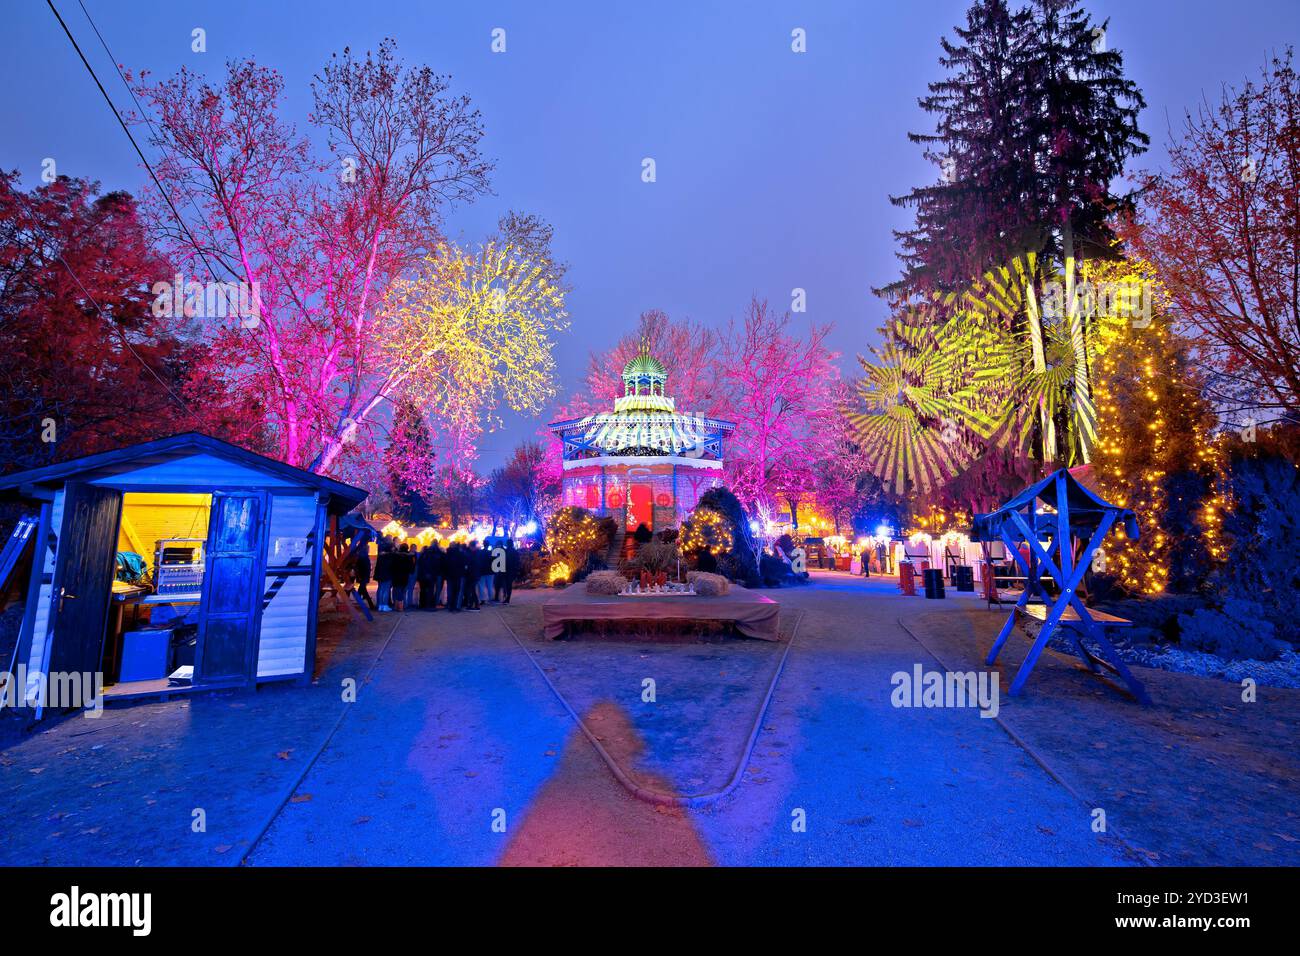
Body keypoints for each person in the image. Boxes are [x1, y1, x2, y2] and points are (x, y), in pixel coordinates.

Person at [390, 543, 415, 612]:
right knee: (403, 591)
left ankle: (397, 605)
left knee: (397, 590)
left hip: (396, 576)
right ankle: (402, 606)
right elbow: (411, 567)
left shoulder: (396, 555)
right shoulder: (409, 556)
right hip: (405, 576)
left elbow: (392, 565)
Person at [417, 542, 442, 610]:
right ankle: (429, 605)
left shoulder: (423, 555)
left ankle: (422, 605)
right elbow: (435, 566)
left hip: (423, 576)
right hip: (430, 575)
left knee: (423, 590)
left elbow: (420, 565)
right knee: (430, 590)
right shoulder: (433, 556)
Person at [353, 542, 376, 610]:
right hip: (363, 576)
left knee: (362, 590)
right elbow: (361, 567)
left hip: (363, 575)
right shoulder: (363, 557)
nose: (369, 550)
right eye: (368, 548)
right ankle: (370, 605)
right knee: (363, 590)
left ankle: (361, 603)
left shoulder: (363, 556)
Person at [495, 539, 519, 604]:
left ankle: (505, 598)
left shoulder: (505, 551)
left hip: (505, 570)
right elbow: (517, 562)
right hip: (511, 571)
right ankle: (507, 598)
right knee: (508, 585)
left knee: (504, 584)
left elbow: (501, 561)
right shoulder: (515, 552)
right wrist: (516, 571)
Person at [374, 538, 395, 611]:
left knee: (380, 589)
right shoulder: (390, 556)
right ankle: (385, 605)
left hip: (380, 574)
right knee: (386, 590)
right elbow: (391, 565)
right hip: (387, 574)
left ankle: (380, 605)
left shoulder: (381, 555)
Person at [444, 542, 464, 613]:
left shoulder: (447, 554)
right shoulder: (460, 554)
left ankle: (450, 605)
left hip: (449, 575)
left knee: (450, 591)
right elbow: (462, 564)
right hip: (458, 575)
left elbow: (445, 565)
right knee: (456, 591)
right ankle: (456, 606)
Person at [463, 540, 482, 611]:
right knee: (472, 590)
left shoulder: (473, 554)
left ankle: (476, 606)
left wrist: (467, 570)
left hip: (473, 575)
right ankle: (471, 605)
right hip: (475, 574)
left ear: (472, 547)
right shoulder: (477, 553)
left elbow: (472, 565)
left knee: (472, 590)